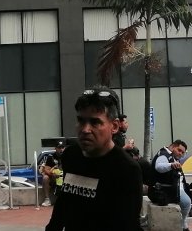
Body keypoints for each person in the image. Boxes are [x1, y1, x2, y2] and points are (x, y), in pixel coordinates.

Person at [44, 87, 142, 231]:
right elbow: (65, 201)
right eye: (81, 121)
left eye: (95, 122)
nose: (85, 129)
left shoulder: (127, 170)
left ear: (114, 126)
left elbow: (128, 224)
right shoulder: (71, 155)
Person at [154, 139, 190, 231]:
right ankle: (183, 224)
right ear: (173, 147)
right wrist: (171, 165)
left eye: (183, 152)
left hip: (176, 187)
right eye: (179, 150)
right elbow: (159, 167)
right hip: (166, 190)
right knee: (186, 202)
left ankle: (184, 222)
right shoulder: (163, 154)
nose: (181, 154)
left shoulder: (172, 157)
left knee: (188, 202)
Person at [40, 141, 66, 207]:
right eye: (59, 148)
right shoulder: (51, 157)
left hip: (65, 177)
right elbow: (45, 169)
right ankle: (47, 199)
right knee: (45, 178)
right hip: (54, 177)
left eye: (62, 147)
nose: (61, 149)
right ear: (56, 148)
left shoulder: (68, 156)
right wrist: (52, 174)